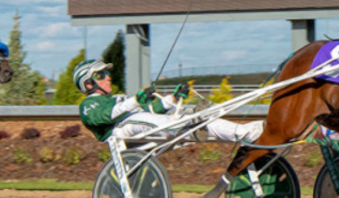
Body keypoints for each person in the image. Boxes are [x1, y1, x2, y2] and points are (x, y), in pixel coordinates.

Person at [75, 59, 263, 144]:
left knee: (200, 119)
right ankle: (185, 123)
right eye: (101, 75)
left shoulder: (117, 99)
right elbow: (105, 116)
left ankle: (243, 132)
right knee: (159, 121)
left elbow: (153, 110)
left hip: (138, 121)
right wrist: (136, 100)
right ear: (89, 84)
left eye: (107, 73)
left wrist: (172, 99)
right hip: (119, 129)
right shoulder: (88, 105)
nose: (108, 77)